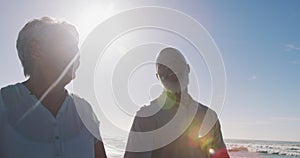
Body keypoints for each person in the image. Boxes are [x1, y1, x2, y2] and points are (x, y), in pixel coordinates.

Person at [0, 17, 107, 158]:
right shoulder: (3, 103)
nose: (78, 56)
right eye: (68, 47)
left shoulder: (85, 111)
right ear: (36, 50)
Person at [124, 47, 230, 158]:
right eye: (164, 69)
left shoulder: (209, 116)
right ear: (158, 77)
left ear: (187, 68)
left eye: (176, 65)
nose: (172, 74)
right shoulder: (146, 117)